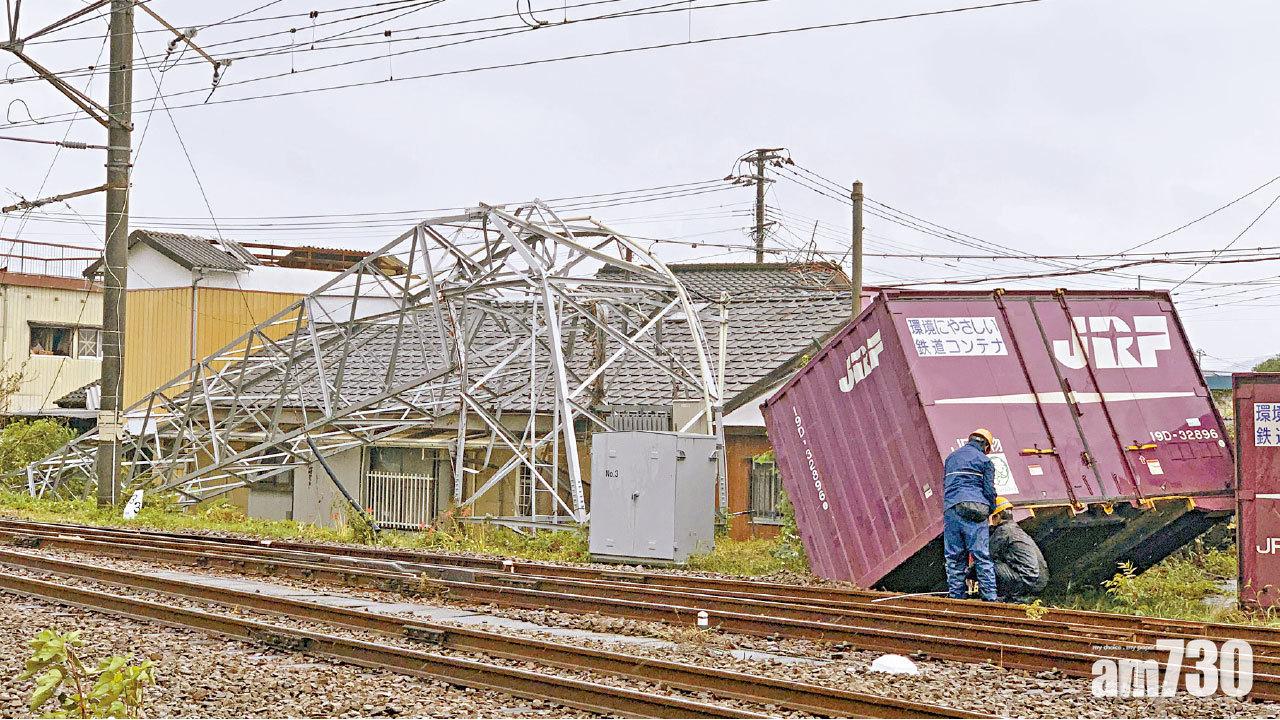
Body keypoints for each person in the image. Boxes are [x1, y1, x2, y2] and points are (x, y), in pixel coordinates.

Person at [942, 428, 997, 601]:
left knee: (954, 557)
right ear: (986, 446)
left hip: (952, 508)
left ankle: (957, 600)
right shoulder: (985, 461)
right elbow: (989, 490)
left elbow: (946, 485)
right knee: (981, 556)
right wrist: (991, 509)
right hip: (977, 510)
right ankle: (990, 600)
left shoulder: (951, 458)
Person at [988, 496, 1049, 603]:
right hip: (1039, 582)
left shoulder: (1003, 531)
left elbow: (987, 556)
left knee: (989, 564)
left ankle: (991, 597)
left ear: (997, 516)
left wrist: (966, 574)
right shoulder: (1016, 530)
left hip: (1026, 582)